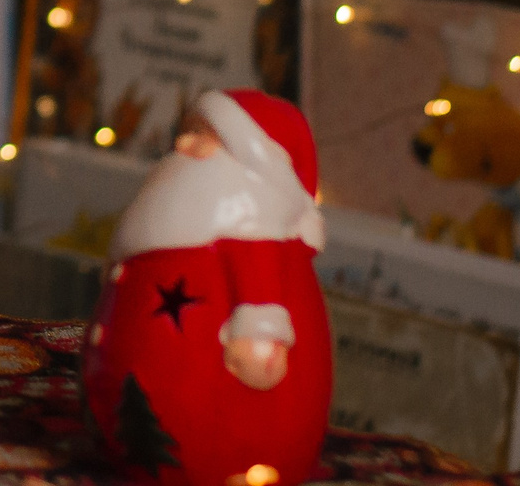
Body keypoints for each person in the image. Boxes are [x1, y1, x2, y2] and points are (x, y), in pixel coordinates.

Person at [80, 88, 332, 486]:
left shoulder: (257, 241)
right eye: (187, 132)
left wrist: (257, 347)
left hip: (220, 439)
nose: (182, 144)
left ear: (258, 166)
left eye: (204, 137)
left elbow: (261, 307)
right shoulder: (172, 223)